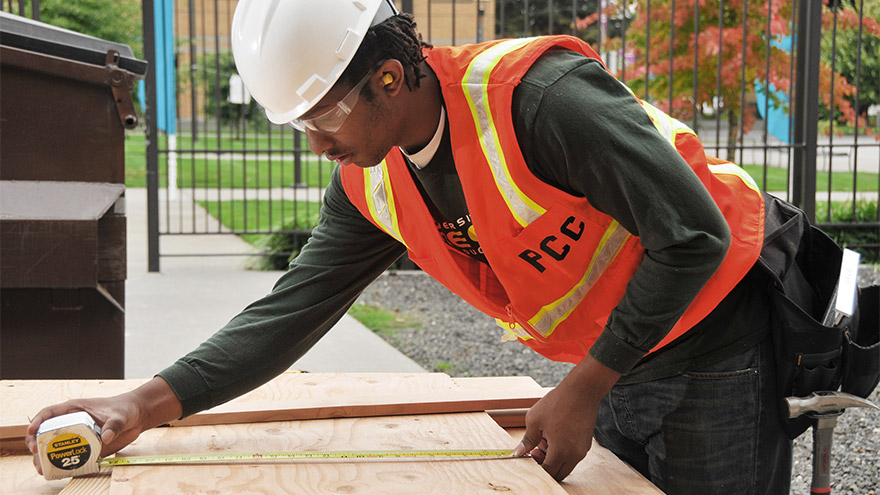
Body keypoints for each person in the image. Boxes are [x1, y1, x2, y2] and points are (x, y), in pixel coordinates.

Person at [26, 1, 794, 492]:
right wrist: (141, 403)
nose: (318, 145)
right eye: (301, 127)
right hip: (620, 358)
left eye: (323, 118)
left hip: (715, 338)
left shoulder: (541, 102)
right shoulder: (372, 180)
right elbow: (288, 314)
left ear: (388, 78)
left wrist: (586, 386)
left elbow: (694, 236)